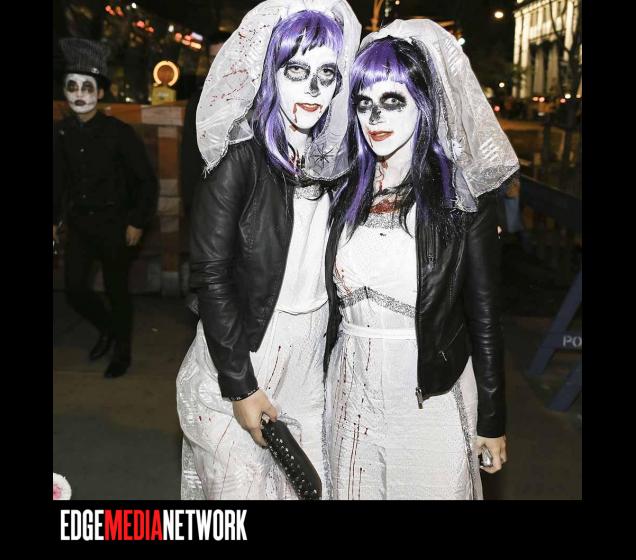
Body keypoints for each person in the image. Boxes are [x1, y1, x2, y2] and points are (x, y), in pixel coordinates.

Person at [323, 20, 519, 499]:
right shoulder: (345, 188)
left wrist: (492, 419)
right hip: (349, 391)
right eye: (364, 102)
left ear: (424, 104)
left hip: (428, 396)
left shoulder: (460, 197)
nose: (375, 117)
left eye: (393, 100)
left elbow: (485, 316)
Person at [176, 0, 360, 500]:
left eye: (327, 74)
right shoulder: (240, 158)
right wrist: (240, 384)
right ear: (271, 73)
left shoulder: (339, 165)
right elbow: (210, 274)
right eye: (297, 70)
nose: (313, 89)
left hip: (310, 358)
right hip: (244, 350)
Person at [53, 38, 158, 378]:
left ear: (99, 93)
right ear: (65, 92)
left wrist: (137, 221)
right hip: (80, 224)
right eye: (72, 86)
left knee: (116, 290)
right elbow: (57, 181)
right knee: (74, 289)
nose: (79, 94)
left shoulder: (118, 133)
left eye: (87, 87)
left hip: (116, 224)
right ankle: (110, 328)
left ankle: (122, 351)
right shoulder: (61, 133)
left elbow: (146, 181)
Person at [180, 31, 232, 218]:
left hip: (248, 203)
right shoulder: (198, 101)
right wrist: (191, 204)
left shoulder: (258, 97)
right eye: (213, 58)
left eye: (223, 56)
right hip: (209, 202)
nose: (218, 63)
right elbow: (190, 156)